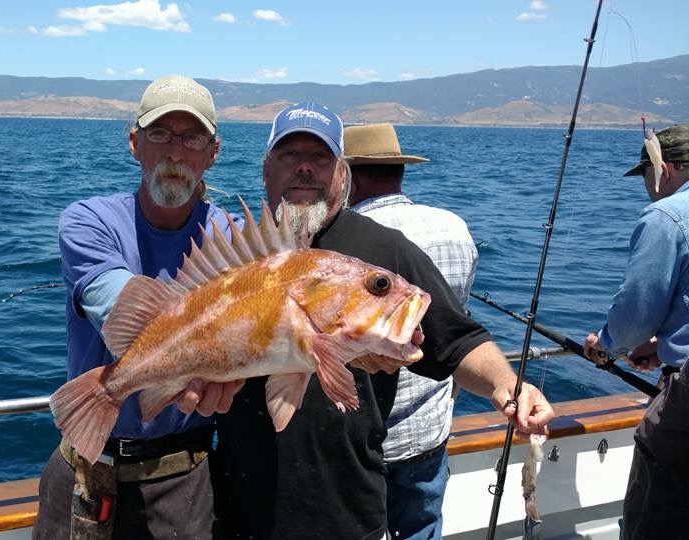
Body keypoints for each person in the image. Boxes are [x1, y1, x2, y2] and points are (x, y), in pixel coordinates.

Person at [209, 102, 554, 540]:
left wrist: (507, 385)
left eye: (320, 157)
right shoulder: (233, 253)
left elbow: (458, 341)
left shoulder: (385, 255)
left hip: (348, 512)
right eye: (289, 154)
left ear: (343, 174)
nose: (304, 168)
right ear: (266, 170)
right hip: (236, 509)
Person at [32, 75, 242, 540]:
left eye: (192, 138)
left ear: (213, 152)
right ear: (134, 143)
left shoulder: (235, 238)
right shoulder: (88, 221)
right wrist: (205, 353)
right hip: (84, 470)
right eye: (160, 134)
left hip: (185, 483)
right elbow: (120, 309)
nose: (175, 153)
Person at [344, 123, 478, 540]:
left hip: (364, 439)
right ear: (399, 171)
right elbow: (454, 326)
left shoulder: (349, 246)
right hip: (428, 431)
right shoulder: (454, 227)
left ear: (349, 179)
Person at [582, 124, 689, 540]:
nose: (646, 187)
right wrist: (666, 346)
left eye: (645, 174)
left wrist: (606, 345)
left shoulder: (667, 217)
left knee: (656, 514)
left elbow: (636, 315)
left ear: (665, 169)